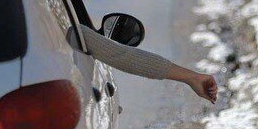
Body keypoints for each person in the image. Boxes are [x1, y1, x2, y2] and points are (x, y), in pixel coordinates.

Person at [81, 26, 218, 103]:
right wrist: (191, 77)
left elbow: (120, 55)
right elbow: (119, 55)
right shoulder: (66, 26)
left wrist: (192, 78)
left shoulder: (65, 27)